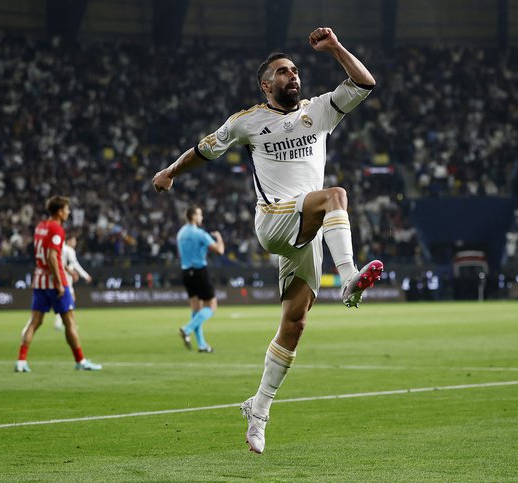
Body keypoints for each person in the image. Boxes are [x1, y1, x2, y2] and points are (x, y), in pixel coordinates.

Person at [152, 27, 383, 454]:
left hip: (306, 230)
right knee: (337, 195)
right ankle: (349, 276)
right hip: (275, 220)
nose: (293, 76)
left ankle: (257, 411)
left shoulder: (318, 112)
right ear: (266, 84)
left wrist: (334, 47)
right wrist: (169, 172)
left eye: (295, 70)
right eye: (283, 72)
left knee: (294, 325)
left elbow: (365, 83)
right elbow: (204, 150)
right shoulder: (248, 121)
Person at [14, 196, 102, 372]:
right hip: (54, 283)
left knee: (34, 322)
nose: (69, 212)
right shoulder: (57, 229)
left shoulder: (40, 227)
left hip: (39, 280)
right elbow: (52, 257)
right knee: (70, 322)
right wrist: (60, 282)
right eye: (67, 209)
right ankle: (81, 361)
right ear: (60, 211)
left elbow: (45, 254)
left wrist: (67, 271)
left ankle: (21, 361)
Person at [176, 205, 225, 353]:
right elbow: (220, 250)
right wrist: (219, 238)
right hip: (199, 272)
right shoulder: (200, 234)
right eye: (200, 214)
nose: (201, 217)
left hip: (185, 272)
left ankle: (202, 345)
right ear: (194, 217)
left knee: (196, 309)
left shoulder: (180, 234)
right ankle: (187, 328)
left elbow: (181, 253)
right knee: (211, 307)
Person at [54, 235, 93, 331]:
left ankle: (59, 323)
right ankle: (70, 324)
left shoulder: (60, 248)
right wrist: (85, 275)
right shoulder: (69, 250)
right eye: (74, 240)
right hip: (65, 278)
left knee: (65, 301)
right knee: (70, 301)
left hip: (59, 276)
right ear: (68, 241)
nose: (75, 243)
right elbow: (75, 264)